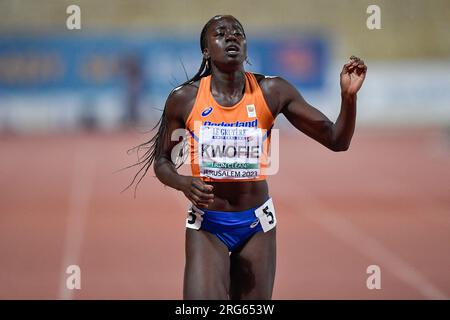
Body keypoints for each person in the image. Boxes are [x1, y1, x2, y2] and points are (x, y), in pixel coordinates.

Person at [129, 15, 367, 300]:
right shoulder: (185, 99)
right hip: (208, 225)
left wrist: (348, 98)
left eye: (238, 33)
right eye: (221, 33)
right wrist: (183, 183)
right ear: (206, 50)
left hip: (256, 226)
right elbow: (162, 162)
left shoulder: (273, 91)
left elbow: (337, 140)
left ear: (246, 46)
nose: (231, 37)